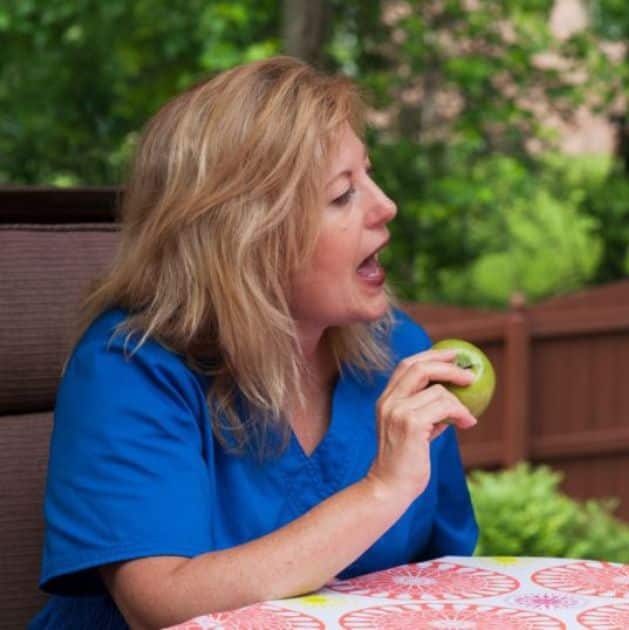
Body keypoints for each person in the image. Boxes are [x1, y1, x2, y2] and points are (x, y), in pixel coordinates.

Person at [32, 57, 480, 629]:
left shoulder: (399, 353)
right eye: (343, 194)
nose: (385, 205)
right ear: (247, 237)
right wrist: (379, 492)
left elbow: (445, 579)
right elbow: (160, 605)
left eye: (370, 176)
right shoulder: (129, 366)